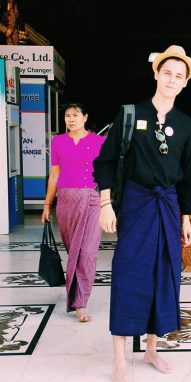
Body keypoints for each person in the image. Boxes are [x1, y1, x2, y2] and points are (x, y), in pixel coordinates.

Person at [93, 45, 191, 382]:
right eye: (167, 73)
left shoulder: (186, 125)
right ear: (155, 74)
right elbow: (105, 161)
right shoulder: (130, 114)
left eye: (178, 76)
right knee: (129, 272)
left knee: (163, 274)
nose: (172, 79)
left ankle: (151, 349)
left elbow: (189, 177)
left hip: (168, 207)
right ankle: (120, 360)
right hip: (137, 203)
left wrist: (187, 218)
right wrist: (106, 203)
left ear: (184, 84)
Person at [41, 102, 106, 322]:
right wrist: (47, 204)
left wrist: (108, 203)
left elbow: (110, 173)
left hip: (92, 199)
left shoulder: (99, 142)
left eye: (75, 115)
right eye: (68, 116)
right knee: (73, 252)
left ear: (85, 117)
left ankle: (81, 303)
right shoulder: (58, 142)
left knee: (87, 252)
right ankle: (78, 295)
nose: (71, 119)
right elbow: (54, 175)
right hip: (66, 201)